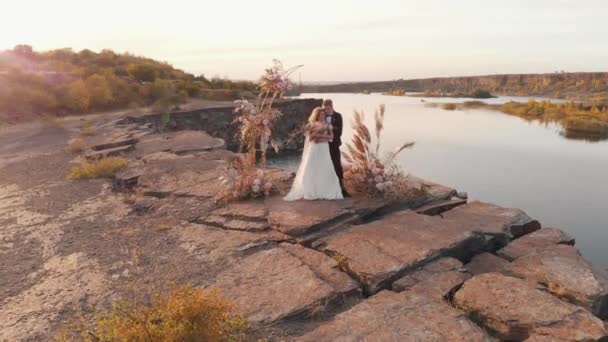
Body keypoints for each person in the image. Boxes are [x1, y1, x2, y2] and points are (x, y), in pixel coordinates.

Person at [283, 107, 343, 201]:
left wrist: (319, 136)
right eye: (320, 114)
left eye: (323, 114)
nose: (322, 116)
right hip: (314, 149)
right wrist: (322, 138)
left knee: (325, 168)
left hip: (324, 148)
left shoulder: (328, 125)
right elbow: (311, 138)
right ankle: (310, 190)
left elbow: (331, 137)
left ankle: (325, 190)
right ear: (316, 115)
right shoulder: (311, 125)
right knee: (311, 167)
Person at [322, 99, 350, 197]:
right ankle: (327, 189)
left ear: (332, 107)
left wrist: (331, 128)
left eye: (328, 109)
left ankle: (342, 189)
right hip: (323, 146)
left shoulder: (338, 116)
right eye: (325, 109)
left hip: (334, 145)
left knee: (337, 166)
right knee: (325, 168)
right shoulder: (322, 115)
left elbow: (340, 132)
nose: (326, 111)